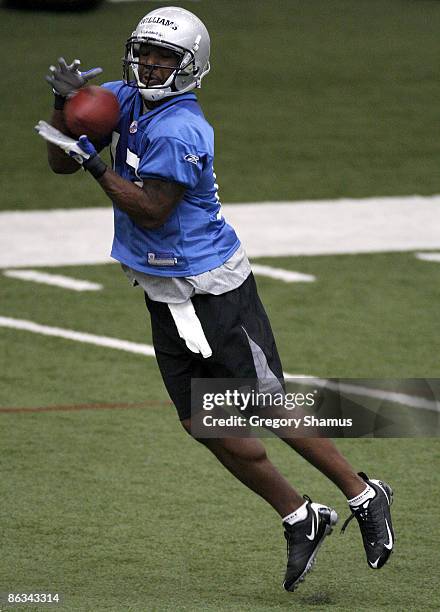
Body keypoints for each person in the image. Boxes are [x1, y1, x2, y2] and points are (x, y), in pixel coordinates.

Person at [35, 6, 394, 592]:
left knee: (268, 407)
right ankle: (302, 517)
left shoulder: (183, 128)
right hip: (162, 289)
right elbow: (57, 162)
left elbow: (151, 209)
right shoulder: (121, 97)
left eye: (164, 57)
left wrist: (95, 165)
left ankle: (363, 493)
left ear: (190, 65)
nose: (150, 65)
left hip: (211, 287)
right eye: (144, 52)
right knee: (207, 425)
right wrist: (63, 107)